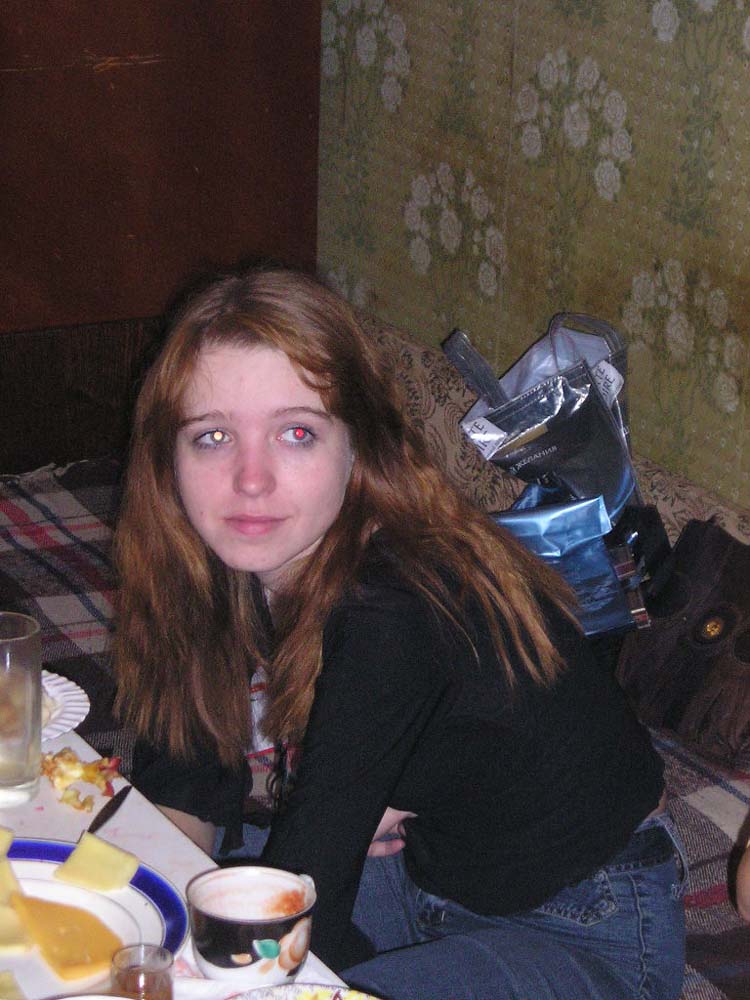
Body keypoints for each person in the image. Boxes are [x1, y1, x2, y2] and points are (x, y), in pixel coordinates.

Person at [113, 265, 686, 1000]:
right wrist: (132, 929)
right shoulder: (212, 566)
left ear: (361, 447)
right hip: (425, 879)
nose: (250, 480)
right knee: (145, 901)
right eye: (213, 436)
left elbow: (302, 903)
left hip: (586, 924)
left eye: (296, 433)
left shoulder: (395, 599)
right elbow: (185, 792)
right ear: (168, 454)